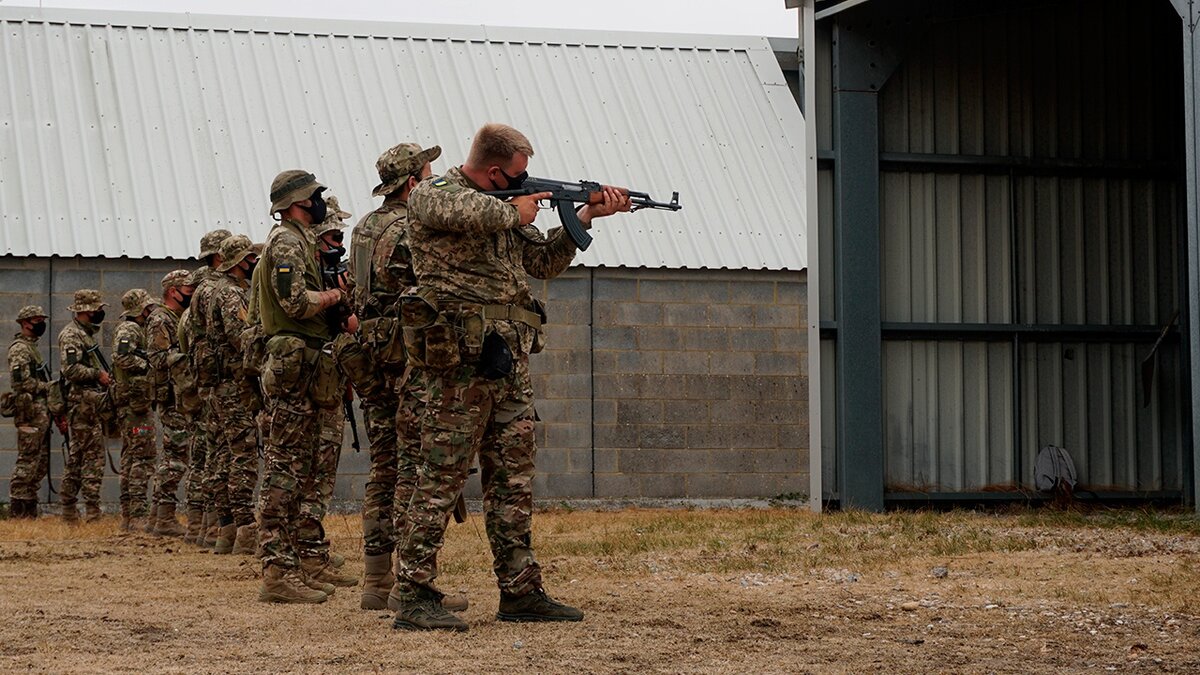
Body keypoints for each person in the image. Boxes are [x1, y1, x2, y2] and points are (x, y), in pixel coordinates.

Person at [391, 123, 630, 631]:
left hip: (507, 364)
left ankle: (520, 591)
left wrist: (584, 215)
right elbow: (442, 209)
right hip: (458, 367)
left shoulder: (506, 209)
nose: (523, 183)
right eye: (517, 175)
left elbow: (541, 261)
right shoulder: (438, 192)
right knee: (440, 479)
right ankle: (411, 592)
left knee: (513, 481)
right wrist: (509, 210)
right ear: (495, 170)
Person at [348, 142, 455, 611]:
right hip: (407, 359)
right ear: (413, 182)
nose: (433, 180)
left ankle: (376, 578)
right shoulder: (411, 228)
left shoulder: (363, 227)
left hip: (371, 354)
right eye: (428, 174)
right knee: (413, 468)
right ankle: (409, 585)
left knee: (384, 467)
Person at [252, 169, 355, 603]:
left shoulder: (299, 241)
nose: (319, 203)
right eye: (314, 197)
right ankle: (277, 572)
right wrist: (335, 296)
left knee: (300, 468)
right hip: (293, 369)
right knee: (284, 468)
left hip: (309, 366)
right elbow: (295, 302)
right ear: (297, 201)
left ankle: (297, 563)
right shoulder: (287, 244)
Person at [298, 196, 358, 588]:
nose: (340, 244)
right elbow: (349, 325)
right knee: (311, 473)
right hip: (311, 383)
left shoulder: (322, 276)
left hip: (326, 380)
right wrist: (343, 299)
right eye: (334, 236)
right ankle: (305, 552)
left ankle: (311, 547)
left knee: (319, 472)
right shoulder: (316, 281)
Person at [205, 234, 264, 554]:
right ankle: (244, 530)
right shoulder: (230, 294)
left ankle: (227, 530)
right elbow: (241, 337)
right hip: (233, 386)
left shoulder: (219, 290)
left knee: (224, 455)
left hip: (223, 385)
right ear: (241, 261)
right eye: (250, 258)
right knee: (242, 456)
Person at [184, 228, 232, 546]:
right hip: (222, 378)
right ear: (218, 256)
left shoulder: (197, 292)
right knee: (223, 452)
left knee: (209, 451)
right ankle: (217, 527)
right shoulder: (218, 290)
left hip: (204, 379)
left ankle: (206, 526)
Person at [145, 270, 194, 536]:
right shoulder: (160, 319)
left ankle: (157, 517)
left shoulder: (176, 317)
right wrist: (188, 357)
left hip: (180, 394)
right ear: (173, 290)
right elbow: (157, 358)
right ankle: (163, 517)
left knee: (175, 455)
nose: (191, 292)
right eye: (187, 288)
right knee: (175, 456)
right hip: (171, 396)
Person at [57, 289, 112, 524]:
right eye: (98, 309)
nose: (101, 313)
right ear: (88, 311)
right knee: (91, 457)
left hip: (89, 403)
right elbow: (70, 370)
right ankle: (89, 510)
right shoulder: (72, 335)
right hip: (82, 405)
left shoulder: (85, 334)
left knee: (80, 457)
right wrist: (97, 374)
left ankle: (71, 508)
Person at [111, 289, 159, 532]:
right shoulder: (129, 330)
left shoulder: (135, 330)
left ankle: (129, 516)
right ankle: (137, 515)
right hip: (134, 404)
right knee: (142, 457)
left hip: (135, 403)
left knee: (131, 457)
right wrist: (147, 364)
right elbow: (122, 358)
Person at [6, 305, 53, 519]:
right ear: (25, 323)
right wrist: (48, 386)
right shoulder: (19, 349)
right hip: (30, 414)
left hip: (39, 414)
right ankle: (18, 509)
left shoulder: (31, 347)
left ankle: (30, 508)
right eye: (37, 320)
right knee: (27, 460)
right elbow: (21, 383)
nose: (41, 324)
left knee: (40, 461)